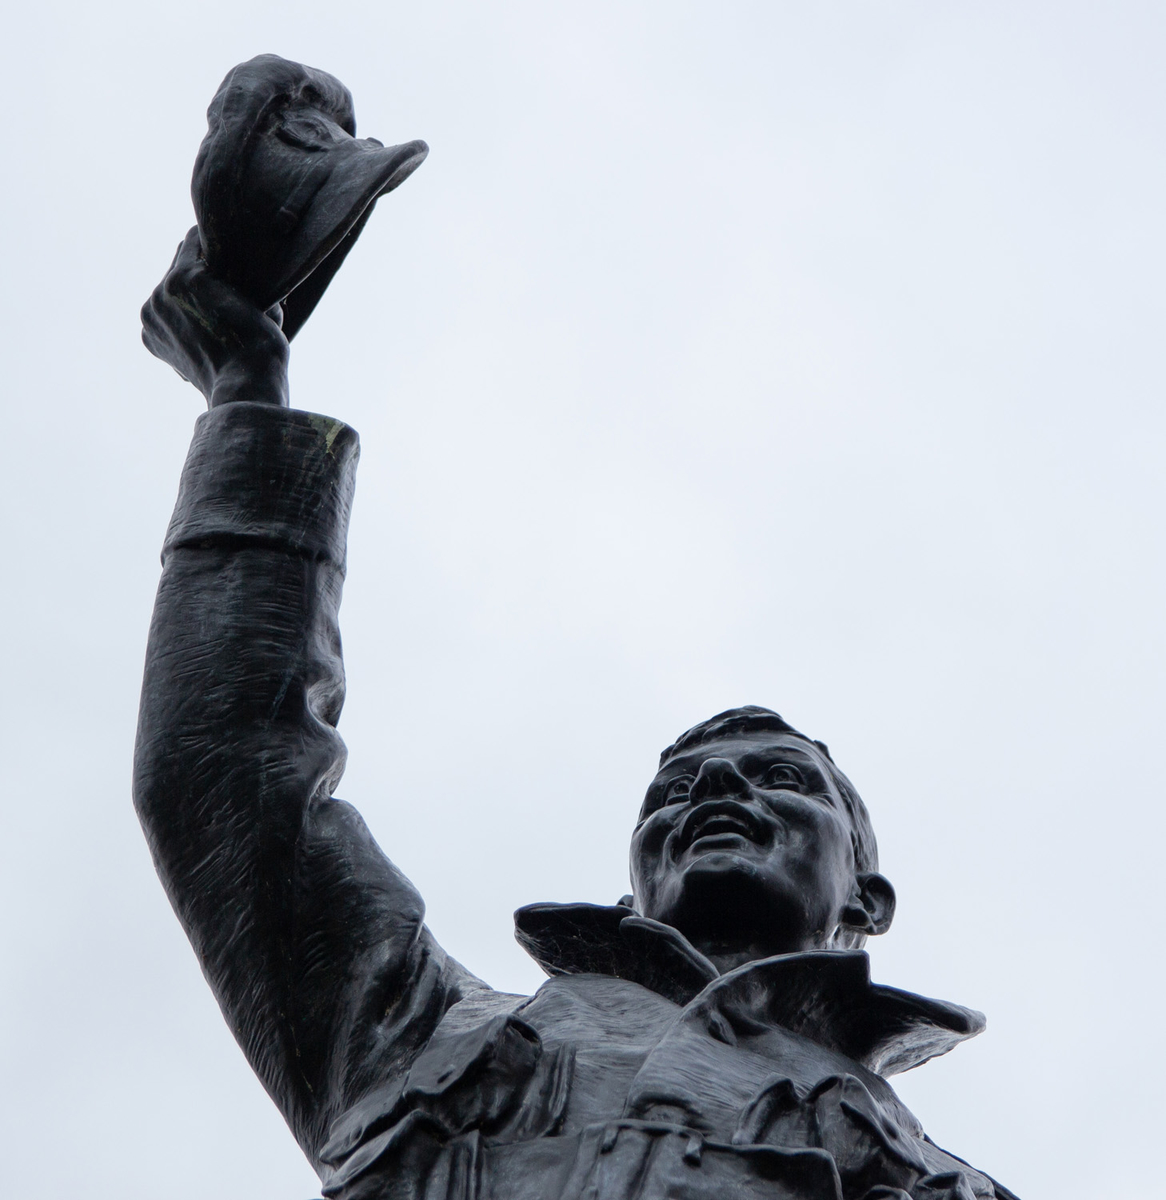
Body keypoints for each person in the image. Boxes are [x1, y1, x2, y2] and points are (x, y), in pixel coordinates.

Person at [136, 231, 1019, 1200]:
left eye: (779, 779)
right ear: (631, 891)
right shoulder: (426, 1029)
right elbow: (229, 778)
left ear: (867, 899)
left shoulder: (943, 1186)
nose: (714, 789)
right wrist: (249, 390)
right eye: (673, 791)